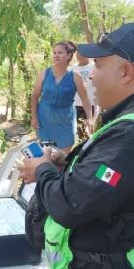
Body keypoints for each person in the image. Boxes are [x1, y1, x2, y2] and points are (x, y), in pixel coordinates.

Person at [19, 23, 134, 269]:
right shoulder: (122, 124)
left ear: (125, 72)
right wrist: (67, 163)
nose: (91, 74)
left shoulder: (127, 136)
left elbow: (69, 204)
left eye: (99, 65)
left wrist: (41, 170)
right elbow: (102, 185)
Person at [31, 41, 93, 154]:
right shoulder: (45, 73)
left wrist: (89, 118)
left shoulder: (76, 76)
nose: (56, 55)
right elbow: (35, 96)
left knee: (62, 157)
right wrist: (34, 116)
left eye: (60, 52)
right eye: (54, 53)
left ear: (69, 55)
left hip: (65, 120)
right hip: (44, 119)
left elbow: (85, 99)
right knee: (45, 155)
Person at [73, 52, 99, 140]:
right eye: (78, 53)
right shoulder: (73, 67)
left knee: (91, 130)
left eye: (82, 53)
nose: (79, 55)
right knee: (81, 130)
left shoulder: (94, 66)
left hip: (91, 103)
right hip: (76, 104)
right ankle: (83, 149)